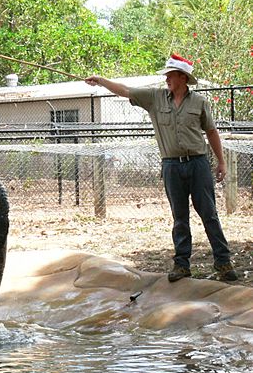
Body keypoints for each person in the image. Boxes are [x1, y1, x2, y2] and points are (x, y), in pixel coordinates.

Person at [85, 54, 238, 282]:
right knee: (179, 217)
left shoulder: (199, 103)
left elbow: (211, 132)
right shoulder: (155, 98)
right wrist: (102, 80)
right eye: (166, 75)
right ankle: (182, 265)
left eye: (170, 75)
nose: (166, 78)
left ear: (182, 77)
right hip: (171, 166)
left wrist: (221, 161)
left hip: (198, 164)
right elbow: (126, 90)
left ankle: (223, 263)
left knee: (209, 214)